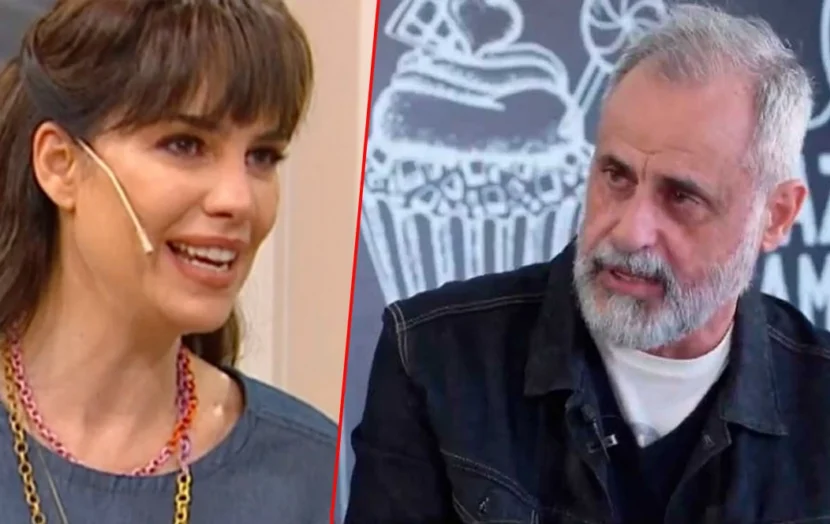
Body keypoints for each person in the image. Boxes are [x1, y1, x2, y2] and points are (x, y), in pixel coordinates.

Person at [346, 4, 826, 523]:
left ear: (776, 216)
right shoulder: (435, 357)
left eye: (682, 197)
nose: (630, 232)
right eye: (616, 177)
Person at [0, 1, 337, 522]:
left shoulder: (318, 478)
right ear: (60, 165)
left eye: (262, 156)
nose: (239, 200)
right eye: (185, 144)